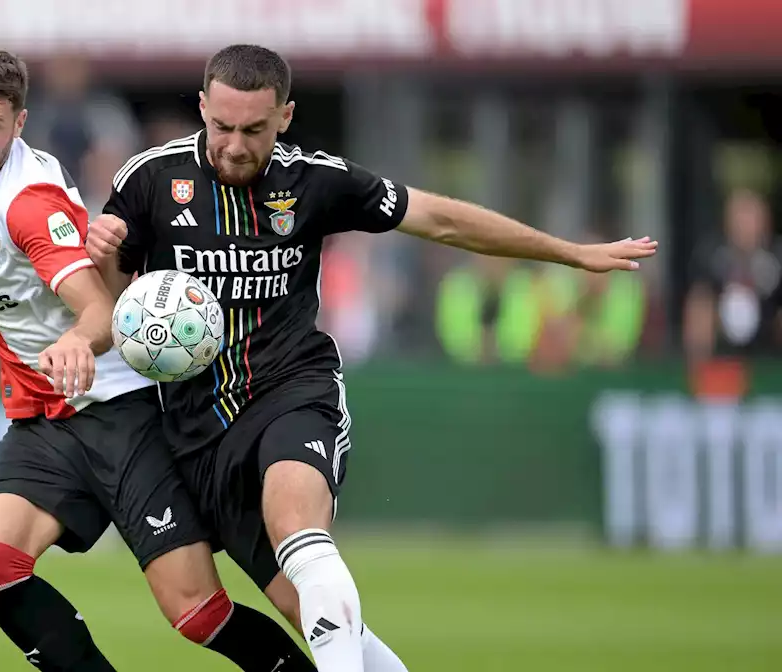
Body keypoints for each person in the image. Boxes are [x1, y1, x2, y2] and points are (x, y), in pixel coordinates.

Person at [86, 44, 658, 672]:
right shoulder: (146, 181)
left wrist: (568, 253)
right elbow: (117, 317)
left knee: (296, 521)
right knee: (318, 619)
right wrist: (106, 255)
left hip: (291, 390)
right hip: (199, 432)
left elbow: (439, 219)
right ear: (202, 107)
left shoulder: (316, 179)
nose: (236, 145)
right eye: (221, 126)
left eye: (254, 129)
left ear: (284, 117)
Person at [0, 47, 313, 672]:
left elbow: (99, 311)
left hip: (123, 412)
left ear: (19, 124)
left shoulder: (31, 204)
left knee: (195, 611)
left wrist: (79, 340)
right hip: (46, 415)